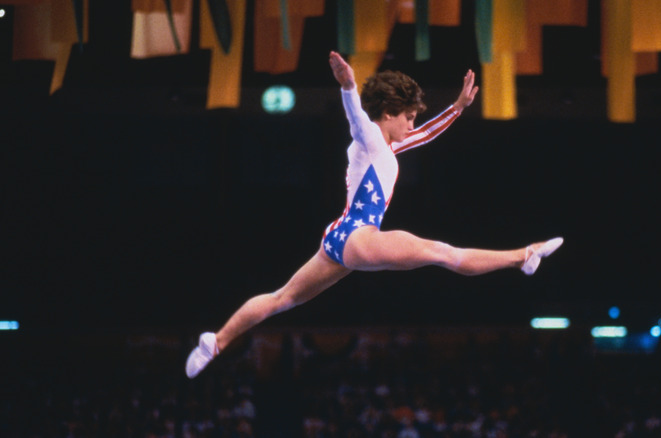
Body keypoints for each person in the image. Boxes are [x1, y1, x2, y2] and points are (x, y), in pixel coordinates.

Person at [185, 52, 563, 378]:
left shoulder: (385, 147)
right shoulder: (367, 136)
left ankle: (216, 342)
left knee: (282, 298)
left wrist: (459, 108)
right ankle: (523, 256)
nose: (412, 125)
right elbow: (356, 118)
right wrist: (348, 86)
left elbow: (426, 134)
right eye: (409, 117)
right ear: (388, 113)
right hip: (359, 236)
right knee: (445, 254)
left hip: (340, 238)